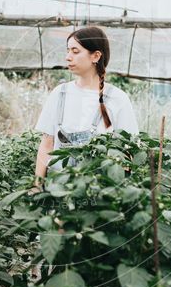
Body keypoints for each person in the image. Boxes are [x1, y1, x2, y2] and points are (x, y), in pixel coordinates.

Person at [32, 26, 139, 191]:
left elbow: (127, 153)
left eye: (75, 51)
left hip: (98, 196)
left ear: (96, 56)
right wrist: (37, 187)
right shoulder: (59, 94)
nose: (68, 57)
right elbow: (46, 145)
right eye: (68, 51)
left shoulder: (117, 99)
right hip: (57, 192)